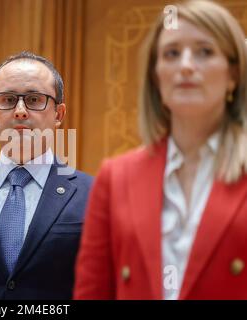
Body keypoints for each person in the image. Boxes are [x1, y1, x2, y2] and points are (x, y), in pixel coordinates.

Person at [74, 0, 247, 300]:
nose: (186, 66)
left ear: (233, 72)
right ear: (156, 76)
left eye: (205, 51)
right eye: (172, 53)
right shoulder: (115, 178)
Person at [0, 51, 93, 299]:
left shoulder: (94, 196)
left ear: (59, 114)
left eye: (34, 99)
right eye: (8, 100)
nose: (20, 111)